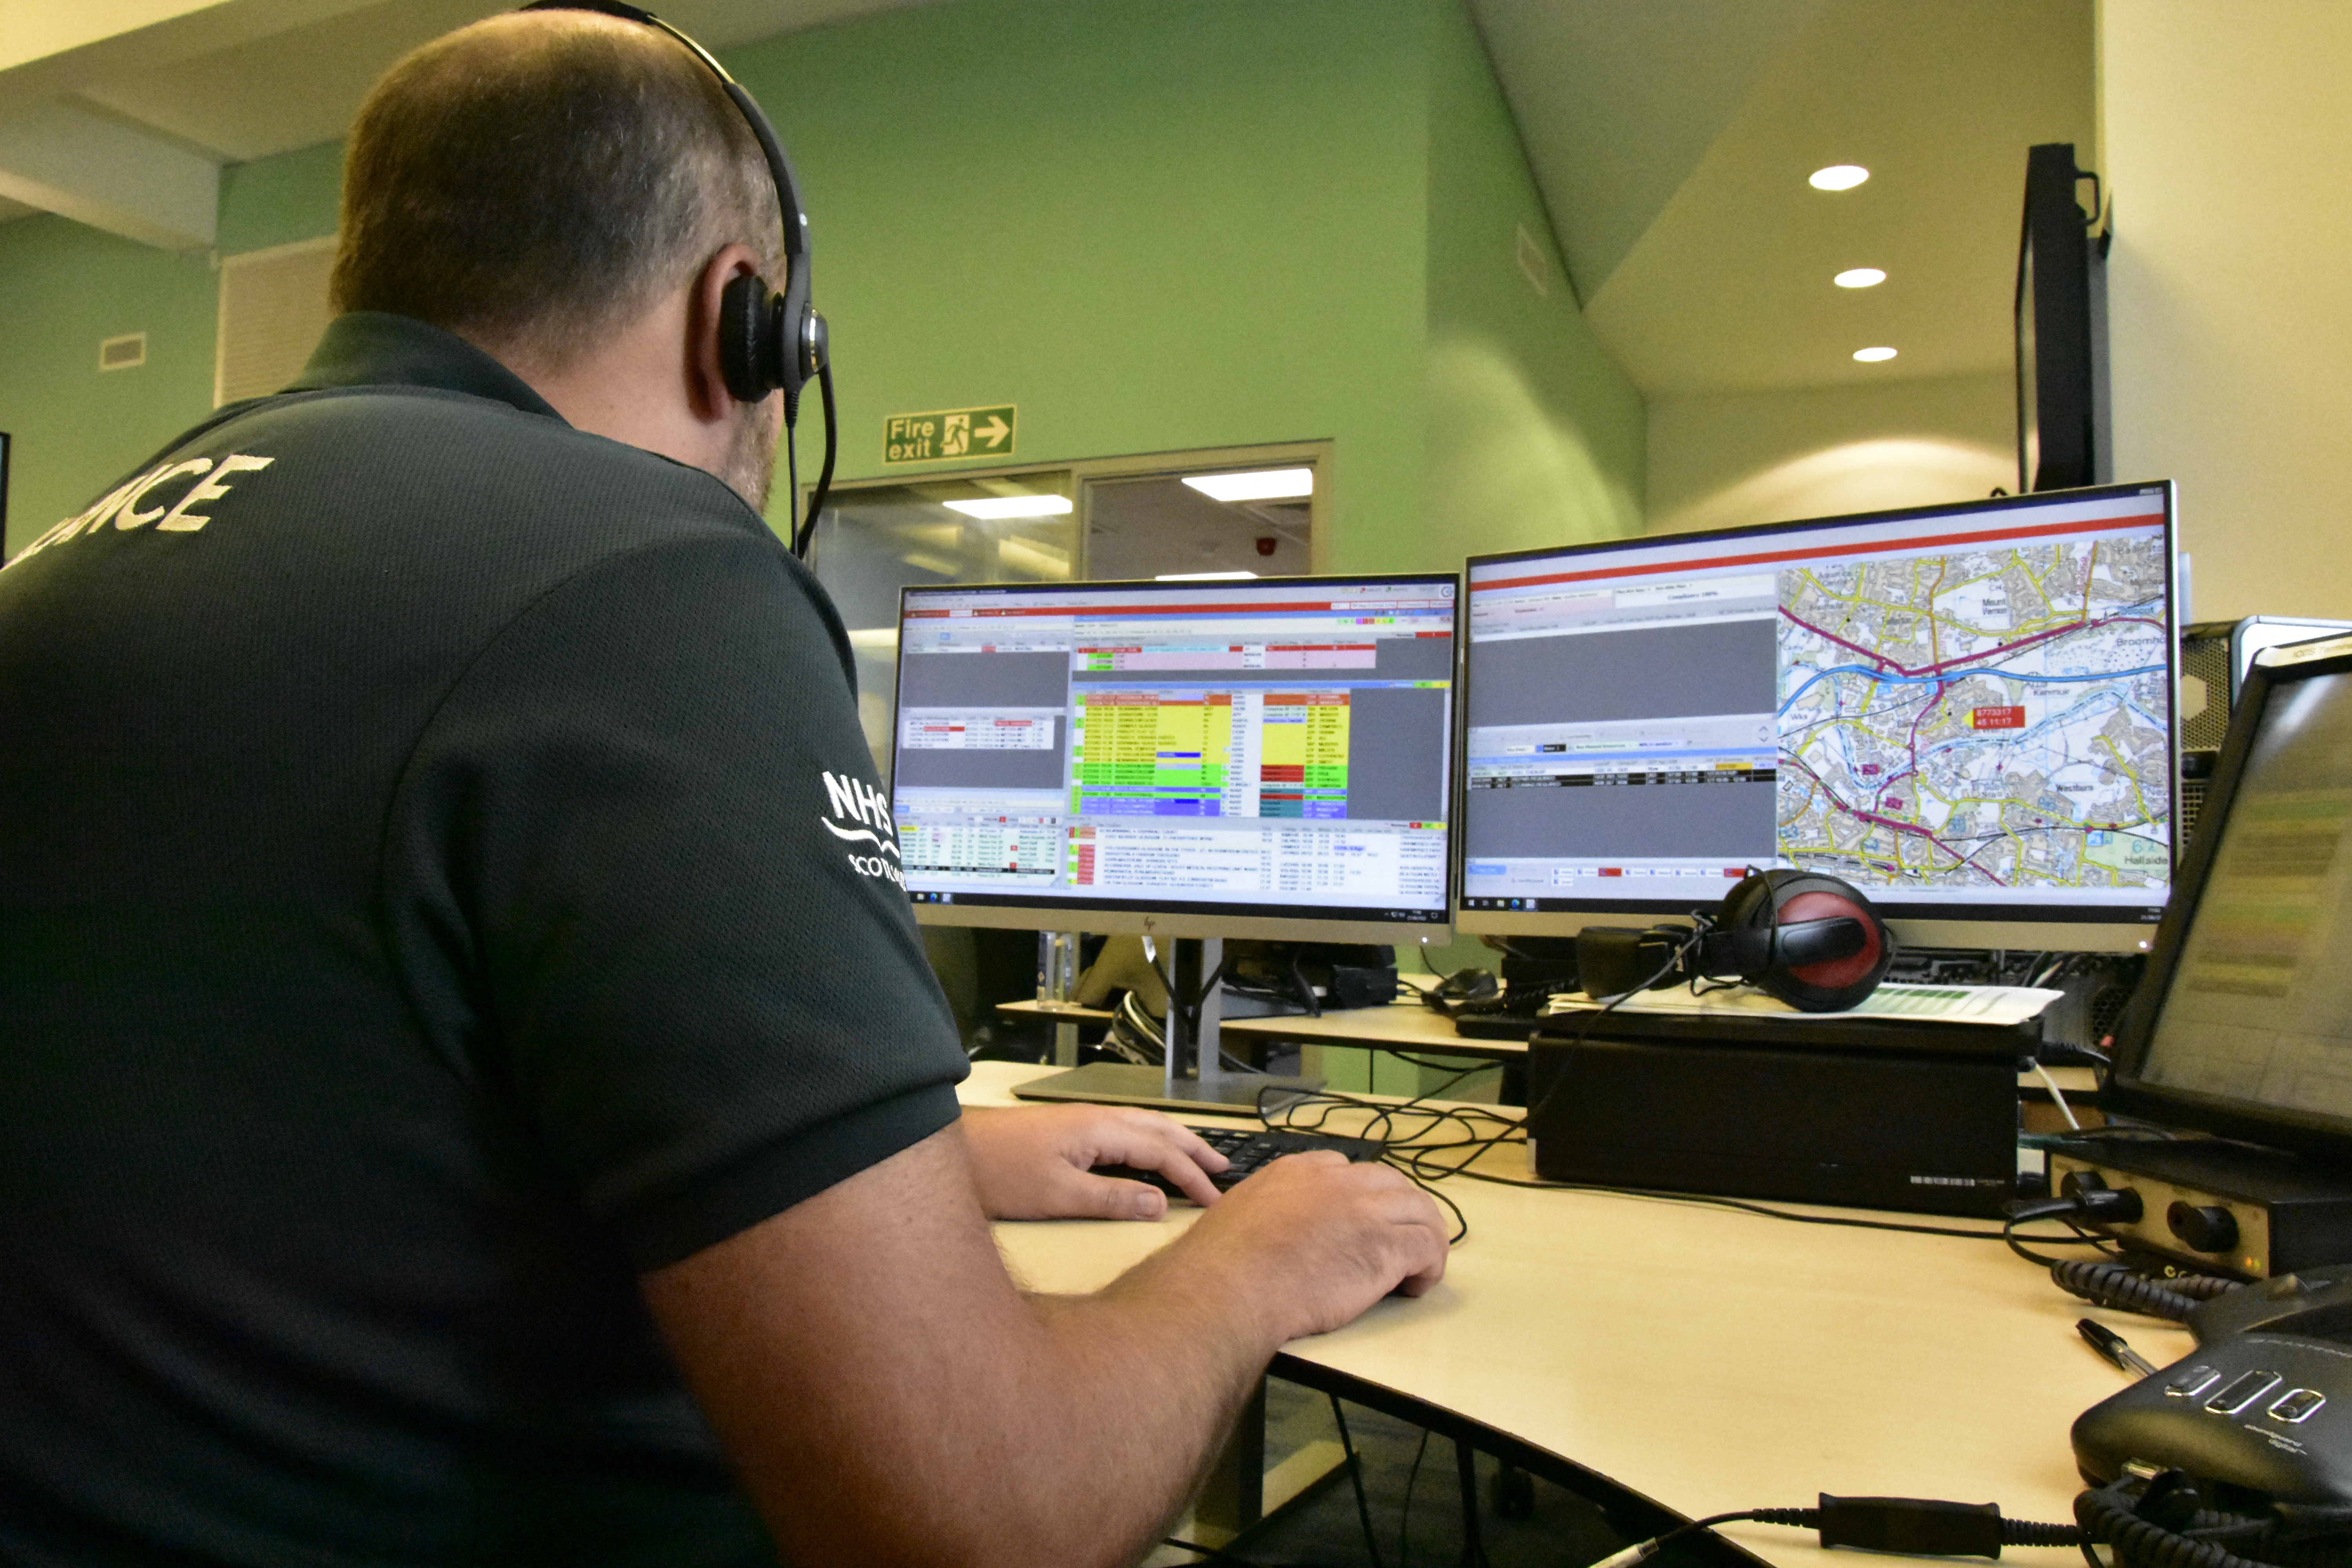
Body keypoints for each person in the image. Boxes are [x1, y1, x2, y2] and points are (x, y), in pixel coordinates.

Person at [0, 10, 1450, 1566]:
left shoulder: (73, 564)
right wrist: (1253, 1256)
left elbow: (288, 1125)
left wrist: (879, 1172)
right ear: (743, 319)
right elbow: (984, 1520)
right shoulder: (649, 576)